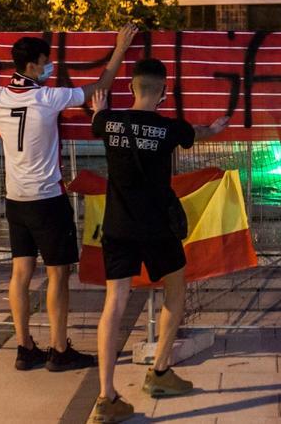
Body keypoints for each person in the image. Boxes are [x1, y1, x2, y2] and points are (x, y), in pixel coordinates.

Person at [0, 26, 136, 372]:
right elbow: (98, 89)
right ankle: (59, 349)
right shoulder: (47, 98)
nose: (48, 67)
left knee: (21, 272)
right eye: (44, 63)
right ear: (30, 67)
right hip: (47, 199)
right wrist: (119, 49)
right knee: (58, 274)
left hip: (15, 199)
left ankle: (24, 347)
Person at [89, 58, 230, 423]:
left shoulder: (108, 123)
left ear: (132, 88)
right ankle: (160, 370)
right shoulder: (169, 129)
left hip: (117, 226)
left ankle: (106, 397)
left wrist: (100, 109)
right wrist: (213, 129)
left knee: (113, 304)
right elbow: (195, 133)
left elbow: (96, 120)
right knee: (176, 288)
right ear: (163, 93)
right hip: (156, 227)